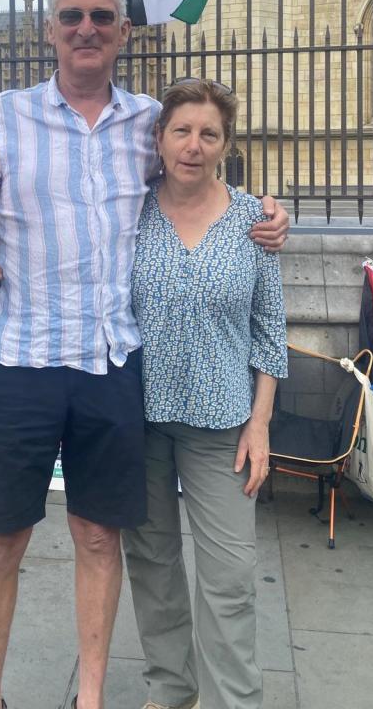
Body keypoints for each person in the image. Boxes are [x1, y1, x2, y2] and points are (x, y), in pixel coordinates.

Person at [0, 0, 290, 709]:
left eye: (102, 18)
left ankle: (93, 696)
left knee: (102, 540)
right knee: (0, 541)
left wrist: (268, 211)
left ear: (123, 33)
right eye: (71, 16)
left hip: (109, 364)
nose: (86, 29)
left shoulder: (146, 122)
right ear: (50, 30)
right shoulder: (4, 114)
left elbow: (196, 174)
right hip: (19, 356)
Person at [123, 79, 288, 709]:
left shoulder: (255, 221)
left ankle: (232, 699)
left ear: (225, 144)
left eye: (209, 134)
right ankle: (171, 687)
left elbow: (269, 331)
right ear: (160, 138)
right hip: (136, 417)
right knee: (154, 565)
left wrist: (261, 423)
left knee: (230, 578)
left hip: (224, 423)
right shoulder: (128, 211)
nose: (194, 146)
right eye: (182, 130)